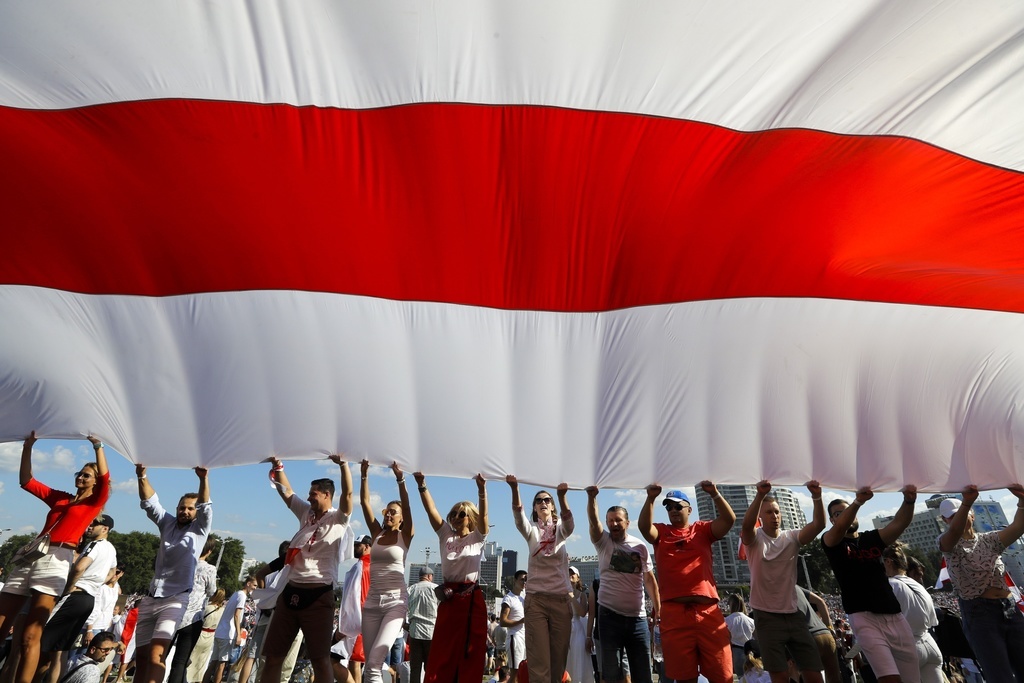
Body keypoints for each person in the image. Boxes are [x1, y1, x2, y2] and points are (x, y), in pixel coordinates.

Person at [0, 433, 110, 683]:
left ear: (94, 482)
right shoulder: (60, 498)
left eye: (86, 475)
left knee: (31, 635)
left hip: (57, 560)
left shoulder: (94, 502)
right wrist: (27, 447)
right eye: (79, 474)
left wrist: (97, 446)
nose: (81, 477)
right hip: (34, 555)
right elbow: (26, 481)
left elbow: (105, 479)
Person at [258, 455, 353, 683]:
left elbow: (348, 495)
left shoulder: (339, 519)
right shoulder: (306, 514)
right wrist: (278, 467)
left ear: (327, 495)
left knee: (320, 660)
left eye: (313, 494)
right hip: (290, 593)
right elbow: (287, 493)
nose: (309, 497)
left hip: (319, 596)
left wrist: (344, 465)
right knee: (273, 657)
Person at [638, 482, 735, 683]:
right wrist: (651, 498)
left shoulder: (702, 530)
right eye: (669, 507)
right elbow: (645, 528)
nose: (673, 510)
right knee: (684, 678)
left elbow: (729, 520)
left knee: (722, 675)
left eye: (678, 506)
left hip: (708, 612)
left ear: (689, 510)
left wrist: (715, 493)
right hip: (674, 615)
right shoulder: (662, 532)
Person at [823, 486, 920, 683]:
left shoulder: (872, 538)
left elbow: (900, 523)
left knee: (912, 679)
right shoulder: (831, 542)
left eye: (846, 510)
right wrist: (857, 502)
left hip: (894, 615)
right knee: (889, 678)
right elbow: (841, 528)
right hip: (863, 617)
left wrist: (909, 501)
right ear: (833, 521)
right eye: (837, 514)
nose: (844, 516)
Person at [133, 464, 213, 683]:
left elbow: (206, 506)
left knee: (156, 655)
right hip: (151, 598)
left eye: (190, 508)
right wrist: (142, 475)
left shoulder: (199, 530)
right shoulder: (167, 523)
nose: (185, 511)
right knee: (140, 658)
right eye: (182, 507)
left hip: (176, 599)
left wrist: (203, 479)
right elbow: (150, 504)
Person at [739, 480, 825, 683]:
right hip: (766, 616)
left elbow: (818, 525)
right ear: (760, 516)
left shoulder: (792, 538)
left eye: (777, 511)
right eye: (768, 512)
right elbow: (746, 526)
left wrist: (817, 496)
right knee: (779, 675)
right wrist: (760, 495)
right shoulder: (754, 540)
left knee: (813, 672)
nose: (774, 516)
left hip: (794, 614)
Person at [939, 484, 1024, 680]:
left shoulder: (990, 539)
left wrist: (1022, 501)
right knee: (1000, 675)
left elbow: (1018, 527)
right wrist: (966, 502)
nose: (957, 519)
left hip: (1009, 608)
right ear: (944, 521)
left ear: (973, 515)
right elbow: (953, 533)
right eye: (951, 516)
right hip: (980, 614)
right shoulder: (947, 544)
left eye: (962, 513)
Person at [413, 472, 489, 683]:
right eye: (453, 513)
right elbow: (431, 510)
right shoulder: (445, 534)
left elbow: (484, 518)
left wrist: (482, 491)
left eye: (461, 514)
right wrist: (422, 485)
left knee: (469, 652)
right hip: (449, 599)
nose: (456, 517)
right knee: (443, 650)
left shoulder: (477, 537)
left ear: (470, 518)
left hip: (471, 601)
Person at [585, 486, 660, 683]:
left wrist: (658, 608)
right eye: (610, 520)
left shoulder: (640, 546)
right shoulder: (603, 543)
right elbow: (593, 521)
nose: (614, 523)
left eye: (618, 520)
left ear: (627, 522)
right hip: (609, 617)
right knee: (611, 673)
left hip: (638, 620)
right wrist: (592, 497)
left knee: (643, 672)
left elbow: (649, 580)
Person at [507, 477, 575, 683]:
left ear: (552, 506)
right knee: (538, 662)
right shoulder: (532, 532)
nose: (543, 502)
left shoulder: (560, 529)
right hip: (536, 601)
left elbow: (570, 526)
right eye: (538, 501)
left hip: (561, 601)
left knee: (558, 662)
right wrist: (515, 487)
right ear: (535, 508)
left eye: (547, 500)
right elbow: (519, 519)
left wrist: (562, 497)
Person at [38, 514, 119, 683]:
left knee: (37, 637)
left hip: (75, 595)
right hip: (88, 599)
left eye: (95, 524)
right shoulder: (111, 549)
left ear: (105, 529)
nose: (90, 525)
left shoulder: (95, 544)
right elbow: (112, 572)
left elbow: (79, 567)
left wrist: (69, 587)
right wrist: (96, 583)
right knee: (61, 650)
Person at [358, 461, 414, 683]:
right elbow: (364, 502)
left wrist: (400, 479)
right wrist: (364, 475)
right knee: (370, 666)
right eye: (386, 512)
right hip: (372, 604)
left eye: (393, 512)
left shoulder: (405, 535)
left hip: (395, 603)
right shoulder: (377, 534)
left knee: (373, 664)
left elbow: (409, 507)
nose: (388, 515)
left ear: (401, 518)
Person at [881, 544, 943, 683]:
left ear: (888, 562)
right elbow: (933, 621)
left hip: (909, 646)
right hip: (930, 644)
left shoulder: (890, 585)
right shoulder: (919, 586)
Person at [167, 538, 218, 683]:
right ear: (209, 551)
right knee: (180, 662)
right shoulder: (209, 569)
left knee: (161, 655)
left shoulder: (183, 562)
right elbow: (211, 590)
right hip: (193, 618)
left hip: (173, 613)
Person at [204, 576, 256, 683]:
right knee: (221, 664)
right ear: (248, 583)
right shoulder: (242, 596)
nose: (255, 588)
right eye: (254, 585)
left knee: (213, 662)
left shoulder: (236, 593)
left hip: (220, 631)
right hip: (227, 634)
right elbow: (237, 615)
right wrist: (238, 634)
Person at [185, 589, 225, 683]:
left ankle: (187, 678)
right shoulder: (223, 611)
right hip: (211, 636)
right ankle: (198, 680)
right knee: (202, 661)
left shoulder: (207, 607)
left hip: (201, 633)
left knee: (192, 657)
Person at [406, 567, 438, 683]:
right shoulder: (435, 589)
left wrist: (405, 626)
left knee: (415, 668)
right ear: (429, 576)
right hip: (431, 632)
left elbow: (401, 609)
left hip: (415, 631)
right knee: (430, 667)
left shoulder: (411, 589)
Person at [499, 572, 528, 683]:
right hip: (514, 638)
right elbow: (502, 621)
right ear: (515, 581)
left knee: (523, 672)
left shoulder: (524, 597)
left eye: (526, 580)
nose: (524, 582)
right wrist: (520, 621)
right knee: (515, 672)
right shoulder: (508, 598)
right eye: (522, 579)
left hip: (524, 637)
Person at [566, 568, 593, 683]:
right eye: (568, 574)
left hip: (577, 629)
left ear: (578, 578)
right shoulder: (559, 593)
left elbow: (582, 613)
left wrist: (572, 597)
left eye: (573, 574)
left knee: (578, 661)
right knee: (566, 661)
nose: (571, 576)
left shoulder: (582, 595)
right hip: (564, 629)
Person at [724, 594, 754, 678]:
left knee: (740, 678)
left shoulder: (727, 620)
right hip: (749, 653)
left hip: (734, 652)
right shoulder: (751, 621)